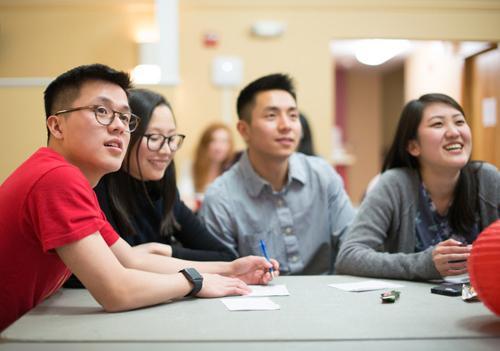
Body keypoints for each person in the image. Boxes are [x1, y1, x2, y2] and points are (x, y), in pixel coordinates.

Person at [0, 64, 278, 331]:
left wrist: (230, 269)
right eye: (102, 111)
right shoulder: (57, 178)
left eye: (124, 117)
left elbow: (131, 260)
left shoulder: (70, 180)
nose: (119, 127)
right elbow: (116, 291)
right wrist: (194, 281)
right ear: (57, 126)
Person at [199, 73, 355, 275]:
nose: (286, 126)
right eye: (271, 116)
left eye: (293, 116)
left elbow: (353, 247)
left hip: (329, 299)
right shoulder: (220, 198)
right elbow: (223, 276)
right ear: (244, 130)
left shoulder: (323, 175)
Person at [335, 93, 499, 281]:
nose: (454, 132)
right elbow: (348, 257)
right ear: (413, 146)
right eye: (438, 124)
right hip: (412, 306)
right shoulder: (394, 185)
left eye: (459, 122)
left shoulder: (487, 179)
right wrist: (424, 264)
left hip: (482, 303)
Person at [179, 122, 234, 211]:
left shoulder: (234, 170)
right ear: (205, 144)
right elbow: (184, 199)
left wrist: (198, 202)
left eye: (224, 141)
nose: (219, 147)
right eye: (213, 141)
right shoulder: (191, 166)